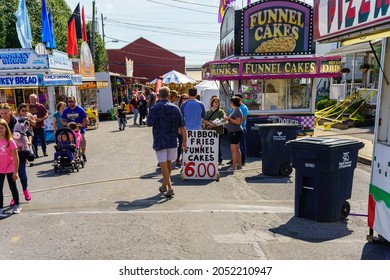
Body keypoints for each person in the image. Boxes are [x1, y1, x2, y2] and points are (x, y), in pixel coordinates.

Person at [147, 86, 187, 197]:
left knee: (164, 165)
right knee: (168, 165)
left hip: (159, 139)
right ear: (169, 95)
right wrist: (185, 141)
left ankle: (169, 187)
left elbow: (149, 123)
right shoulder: (175, 108)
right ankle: (164, 185)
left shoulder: (154, 108)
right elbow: (182, 126)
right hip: (172, 139)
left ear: (159, 96)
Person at [9, 104, 36, 206]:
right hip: (10, 151)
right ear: (19, 110)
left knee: (22, 174)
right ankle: (14, 196)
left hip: (22, 151)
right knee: (11, 176)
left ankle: (25, 190)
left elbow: (29, 133)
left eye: (25, 110)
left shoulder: (26, 119)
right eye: (22, 110)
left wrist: (28, 143)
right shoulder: (12, 120)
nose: (24, 112)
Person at [0, 118, 21, 215]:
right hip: (0, 168)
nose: (0, 130)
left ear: (6, 128)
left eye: (1, 128)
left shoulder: (10, 141)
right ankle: (0, 208)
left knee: (12, 187)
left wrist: (15, 172)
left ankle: (17, 205)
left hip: (10, 168)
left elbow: (16, 158)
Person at [61, 96, 88, 162]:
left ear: (75, 101)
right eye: (69, 102)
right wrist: (65, 124)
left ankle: (83, 153)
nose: (70, 103)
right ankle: (71, 154)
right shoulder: (66, 110)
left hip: (79, 128)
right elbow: (63, 120)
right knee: (69, 141)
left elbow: (86, 119)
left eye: (71, 101)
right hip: (70, 129)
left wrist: (82, 125)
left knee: (82, 139)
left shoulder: (80, 109)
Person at [203, 96, 226, 165]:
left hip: (218, 131)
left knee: (217, 146)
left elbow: (223, 120)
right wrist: (210, 124)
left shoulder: (221, 111)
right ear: (212, 103)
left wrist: (213, 125)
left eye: (218, 102)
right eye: (215, 101)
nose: (217, 103)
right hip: (209, 132)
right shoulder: (208, 111)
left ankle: (219, 160)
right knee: (209, 146)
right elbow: (204, 120)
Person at [225, 96, 243, 172]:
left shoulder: (237, 111)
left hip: (235, 132)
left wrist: (228, 119)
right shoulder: (236, 110)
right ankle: (239, 165)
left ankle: (233, 166)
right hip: (235, 132)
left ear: (233, 103)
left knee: (234, 150)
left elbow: (238, 122)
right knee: (237, 149)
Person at [28, 94, 48, 158]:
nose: (32, 100)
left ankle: (44, 151)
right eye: (31, 99)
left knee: (42, 140)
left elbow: (46, 114)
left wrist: (41, 119)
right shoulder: (28, 107)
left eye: (33, 98)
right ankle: (35, 153)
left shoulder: (40, 106)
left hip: (40, 126)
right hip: (31, 127)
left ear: (36, 99)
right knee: (34, 141)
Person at [234, 93, 249, 166]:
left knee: (241, 145)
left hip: (241, 129)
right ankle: (234, 160)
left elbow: (242, 119)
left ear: (240, 99)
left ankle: (242, 161)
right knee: (234, 146)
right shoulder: (233, 107)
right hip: (233, 129)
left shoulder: (244, 108)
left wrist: (232, 121)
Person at [175, 93, 189, 165]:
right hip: (180, 127)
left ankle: (183, 158)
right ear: (181, 99)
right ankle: (177, 158)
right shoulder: (179, 107)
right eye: (184, 98)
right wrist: (178, 128)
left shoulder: (189, 106)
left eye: (187, 98)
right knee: (181, 143)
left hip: (187, 127)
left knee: (186, 143)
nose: (186, 100)